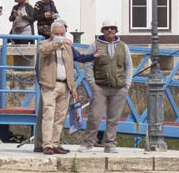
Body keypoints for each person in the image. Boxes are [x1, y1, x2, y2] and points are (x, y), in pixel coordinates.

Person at [34, 20, 86, 154]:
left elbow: (70, 68)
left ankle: (55, 143)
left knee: (60, 116)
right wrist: (60, 42)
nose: (59, 35)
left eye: (61, 33)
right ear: (51, 33)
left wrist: (73, 88)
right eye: (56, 33)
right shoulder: (44, 44)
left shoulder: (67, 48)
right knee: (48, 114)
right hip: (50, 84)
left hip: (65, 85)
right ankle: (47, 145)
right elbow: (44, 50)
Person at [82, 20, 133, 153]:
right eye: (106, 28)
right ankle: (88, 142)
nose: (109, 30)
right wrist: (92, 84)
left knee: (114, 118)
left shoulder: (123, 46)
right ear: (102, 30)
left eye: (112, 28)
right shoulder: (95, 45)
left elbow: (129, 66)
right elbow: (88, 64)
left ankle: (110, 143)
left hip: (119, 87)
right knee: (94, 116)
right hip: (100, 86)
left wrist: (127, 85)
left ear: (116, 30)